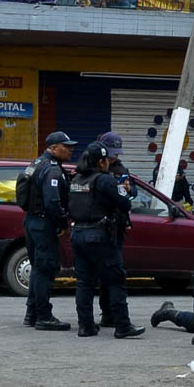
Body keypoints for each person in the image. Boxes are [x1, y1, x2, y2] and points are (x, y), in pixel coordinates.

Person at [68, 142, 145, 338]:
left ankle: (85, 326)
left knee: (84, 283)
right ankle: (122, 325)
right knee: (116, 278)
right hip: (99, 234)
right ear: (102, 161)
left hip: (77, 233)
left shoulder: (76, 179)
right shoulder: (105, 180)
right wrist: (125, 190)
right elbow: (124, 203)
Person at [20, 131, 78, 331]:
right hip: (44, 224)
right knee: (45, 269)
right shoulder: (52, 170)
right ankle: (44, 316)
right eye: (66, 146)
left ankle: (32, 313)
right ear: (53, 148)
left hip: (31, 221)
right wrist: (63, 224)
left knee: (38, 269)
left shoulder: (37, 164)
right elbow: (52, 201)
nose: (71, 150)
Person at [96, 132, 133, 328]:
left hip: (117, 226)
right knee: (103, 274)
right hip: (99, 226)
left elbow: (132, 195)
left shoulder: (121, 169)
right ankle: (107, 314)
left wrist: (128, 189)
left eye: (117, 153)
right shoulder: (94, 168)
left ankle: (111, 314)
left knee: (116, 273)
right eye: (112, 153)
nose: (115, 157)